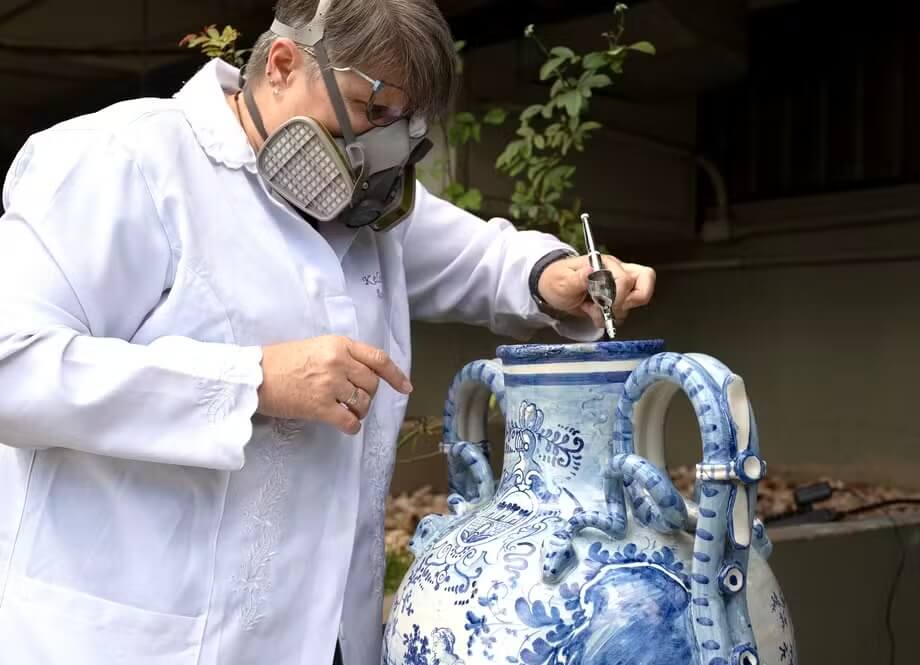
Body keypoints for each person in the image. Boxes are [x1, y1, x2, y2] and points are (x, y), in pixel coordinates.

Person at [0, 1, 656, 664]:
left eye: (405, 124)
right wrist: (253, 381)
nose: (385, 147)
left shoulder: (356, 203)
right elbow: (12, 366)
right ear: (283, 65)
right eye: (371, 111)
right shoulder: (123, 162)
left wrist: (552, 273)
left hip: (326, 639)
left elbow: (483, 258)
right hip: (135, 642)